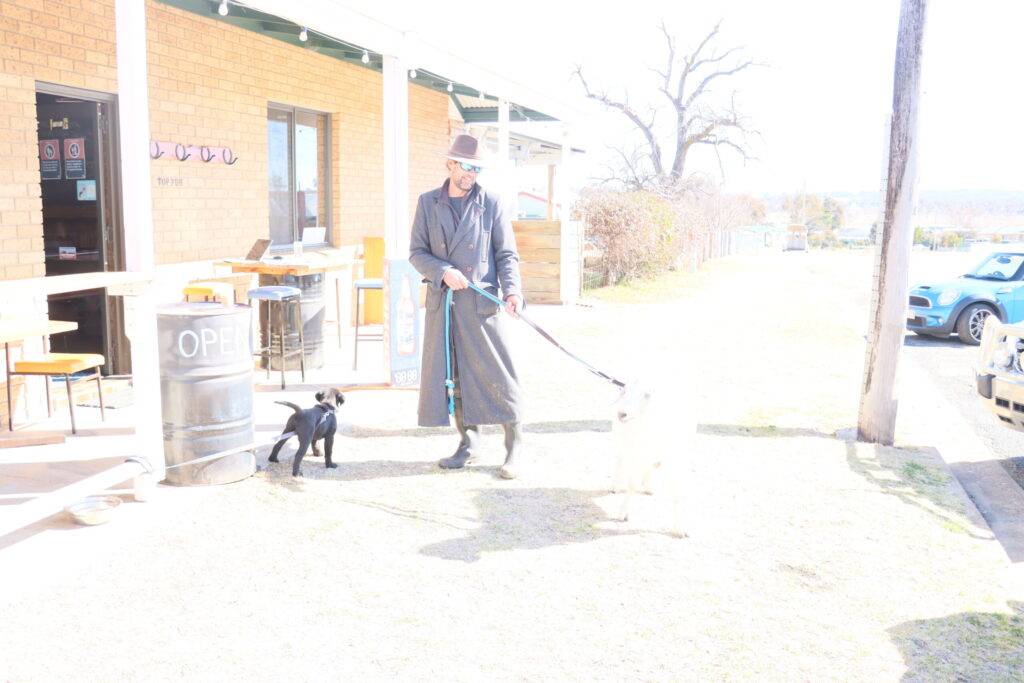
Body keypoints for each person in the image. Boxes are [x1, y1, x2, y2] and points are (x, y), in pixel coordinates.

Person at [409, 134, 525, 479]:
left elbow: (506, 254)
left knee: (499, 375)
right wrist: (443, 271)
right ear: (450, 164)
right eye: (466, 167)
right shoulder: (428, 203)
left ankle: (514, 446)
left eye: (477, 168)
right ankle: (468, 443)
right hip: (444, 306)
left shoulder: (491, 203)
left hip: (481, 304)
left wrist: (513, 291)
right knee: (453, 376)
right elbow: (417, 252)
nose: (471, 174)